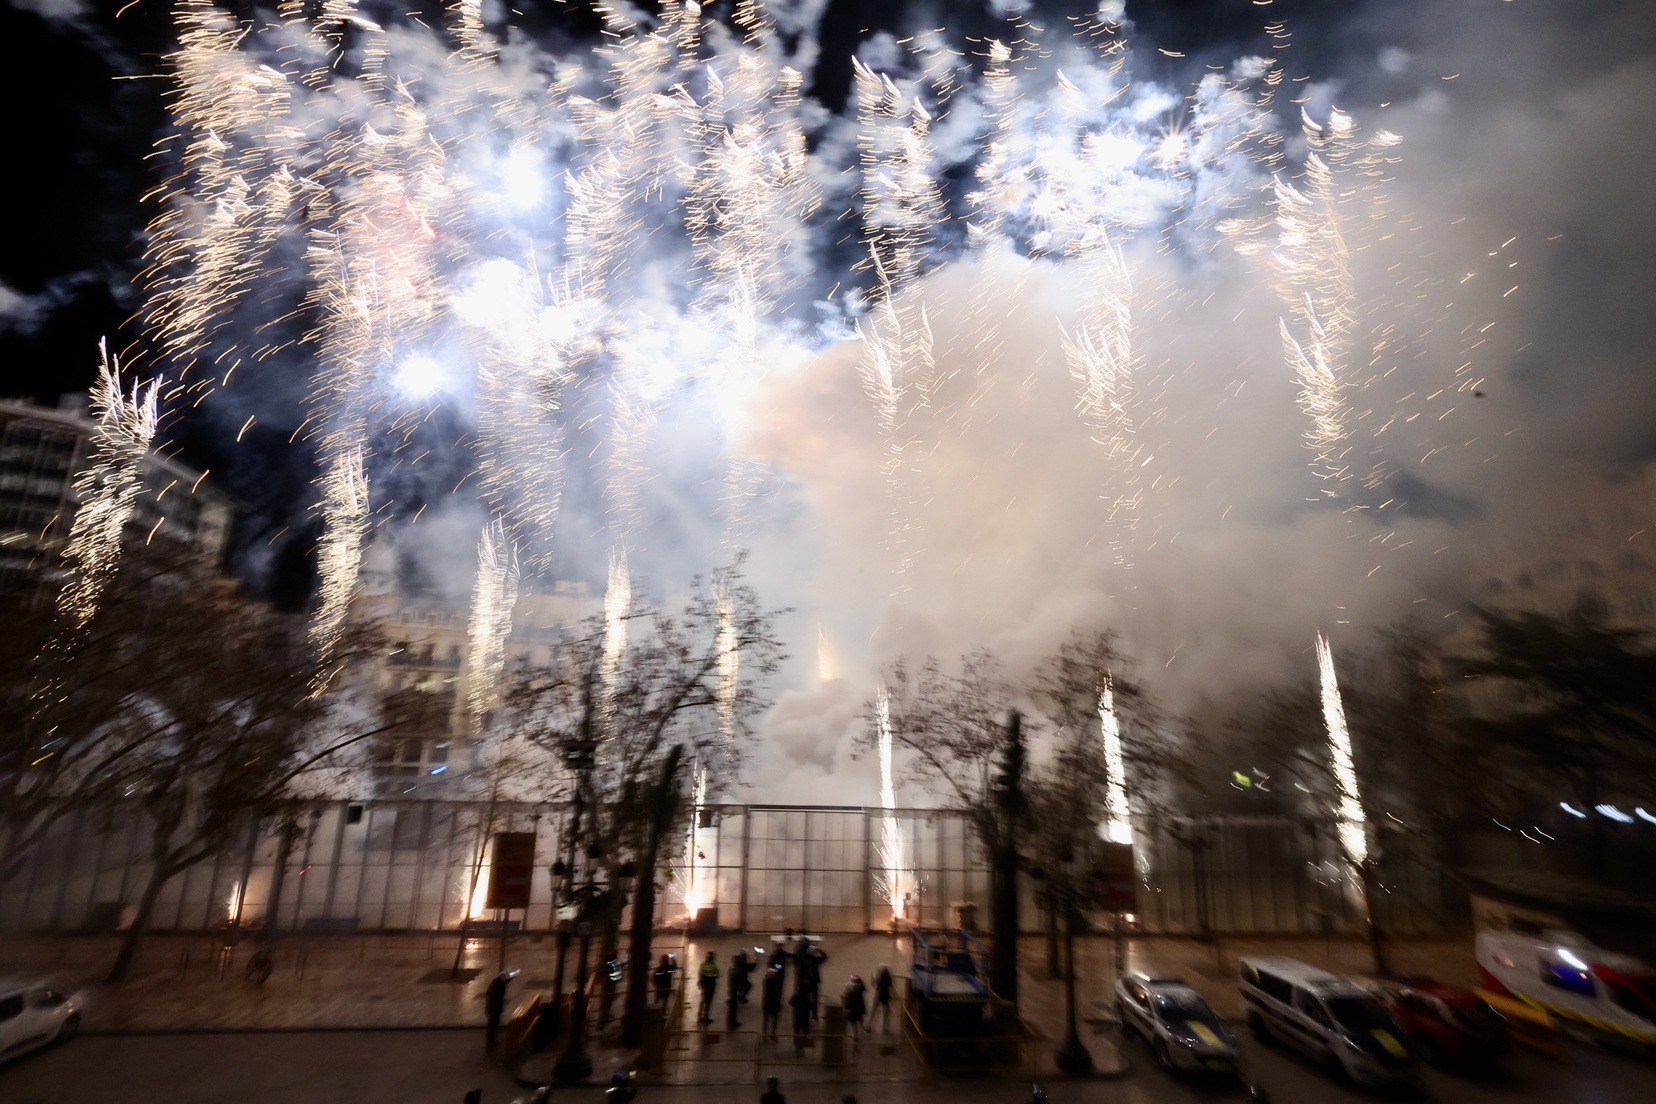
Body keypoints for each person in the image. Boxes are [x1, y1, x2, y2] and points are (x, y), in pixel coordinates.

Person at [793, 936, 827, 1021]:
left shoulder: (802, 957)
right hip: (813, 980)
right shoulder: (814, 958)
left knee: (806, 998)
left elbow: (798, 968)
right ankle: (814, 1014)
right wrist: (818, 949)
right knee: (814, 998)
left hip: (805, 981)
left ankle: (806, 1013)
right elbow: (824, 957)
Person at [484, 970, 516, 1053]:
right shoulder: (498, 985)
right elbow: (495, 998)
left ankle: (491, 1040)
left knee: (493, 1024)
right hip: (494, 1008)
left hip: (494, 1008)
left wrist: (512, 976)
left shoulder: (497, 982)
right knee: (492, 1024)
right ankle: (490, 1041)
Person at [761, 962, 785, 1040]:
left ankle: (765, 1034)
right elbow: (776, 994)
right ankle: (772, 1034)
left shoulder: (766, 981)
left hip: (767, 1004)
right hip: (773, 1004)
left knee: (766, 1019)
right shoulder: (773, 983)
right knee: (774, 1019)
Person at [697, 950, 720, 1025]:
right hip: (711, 985)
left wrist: (700, 982)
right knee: (708, 1002)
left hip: (705, 985)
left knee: (703, 1001)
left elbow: (700, 974)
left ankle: (700, 1017)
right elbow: (717, 974)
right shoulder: (713, 966)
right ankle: (705, 1017)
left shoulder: (703, 965)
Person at [871, 964, 894, 1032]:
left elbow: (873, 984)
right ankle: (885, 1027)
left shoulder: (879, 977)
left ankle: (870, 1025)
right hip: (886, 996)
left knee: (875, 1010)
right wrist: (891, 995)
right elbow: (891, 986)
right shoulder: (888, 978)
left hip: (879, 995)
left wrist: (873, 979)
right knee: (885, 1012)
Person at [843, 974, 867, 1039]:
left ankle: (855, 1035)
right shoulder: (860, 991)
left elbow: (848, 1003)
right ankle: (861, 1031)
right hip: (859, 1009)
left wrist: (846, 1007)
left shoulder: (851, 994)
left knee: (853, 1022)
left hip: (853, 1010)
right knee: (860, 1020)